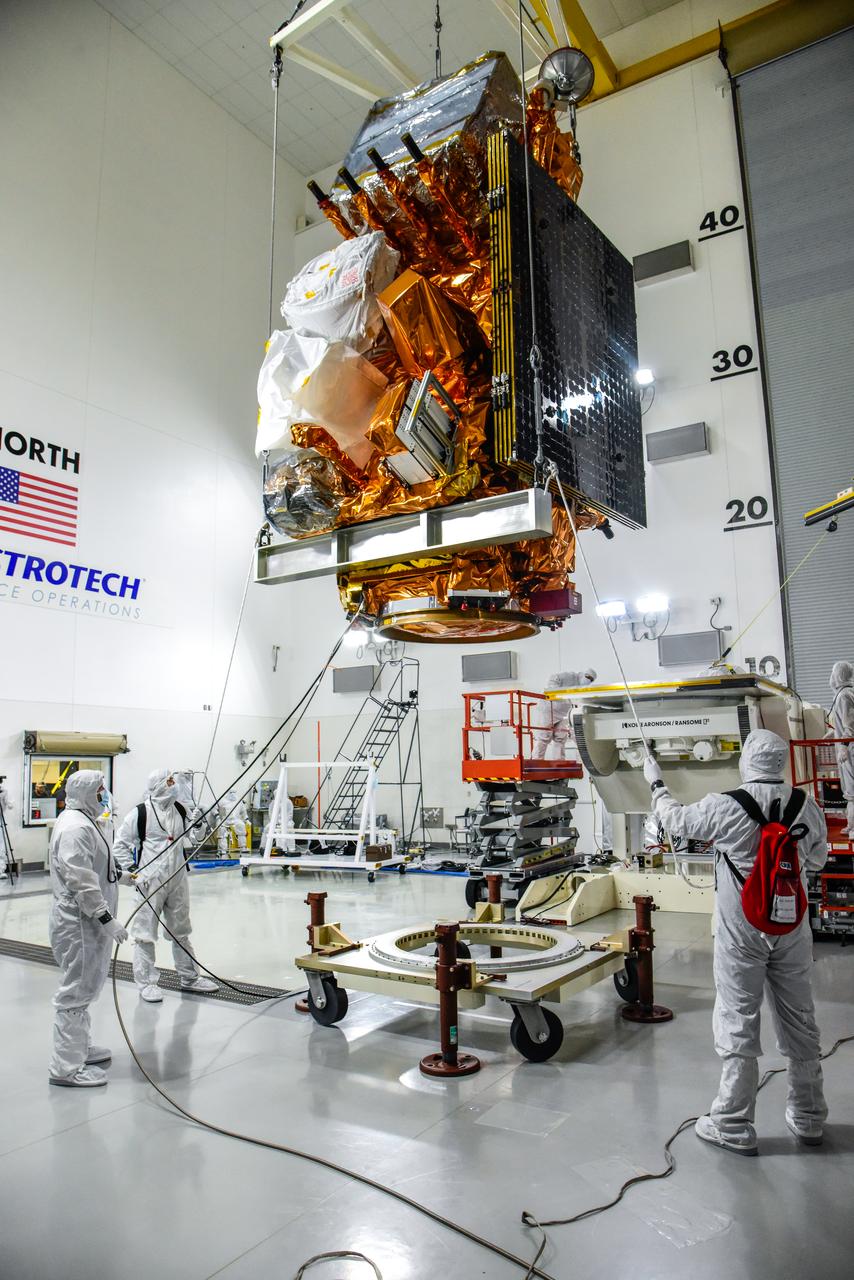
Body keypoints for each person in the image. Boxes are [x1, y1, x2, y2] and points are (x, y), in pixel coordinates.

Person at [644, 729, 828, 1154]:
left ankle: (732, 1122)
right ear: (780, 761)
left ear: (747, 761)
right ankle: (809, 1117)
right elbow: (817, 858)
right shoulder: (806, 805)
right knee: (800, 1017)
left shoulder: (725, 805)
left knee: (738, 1016)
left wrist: (655, 780)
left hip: (740, 930)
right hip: (792, 927)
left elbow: (674, 821)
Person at [48, 770, 134, 1087]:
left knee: (85, 987)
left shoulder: (87, 822)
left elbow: (99, 868)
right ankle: (66, 1068)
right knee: (75, 991)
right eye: (100, 790)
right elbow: (80, 881)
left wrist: (126, 877)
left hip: (87, 923)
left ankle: (78, 1048)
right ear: (85, 793)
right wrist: (106, 918)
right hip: (79, 923)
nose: (105, 795)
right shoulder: (74, 828)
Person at [113, 768, 218, 1003]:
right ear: (159, 785)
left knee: (181, 930)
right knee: (144, 933)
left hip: (178, 877)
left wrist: (200, 824)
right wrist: (133, 872)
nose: (173, 784)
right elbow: (119, 845)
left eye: (173, 780)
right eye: (169, 781)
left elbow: (195, 838)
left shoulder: (180, 809)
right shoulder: (140, 813)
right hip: (150, 881)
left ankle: (189, 978)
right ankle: (147, 983)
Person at [531, 669, 596, 760]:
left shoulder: (581, 688)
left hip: (564, 713)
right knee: (544, 736)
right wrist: (555, 692)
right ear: (583, 674)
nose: (588, 680)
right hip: (548, 708)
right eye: (588, 677)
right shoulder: (570, 676)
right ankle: (536, 761)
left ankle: (559, 761)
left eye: (591, 680)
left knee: (561, 737)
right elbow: (553, 678)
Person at [828, 661, 854, 836]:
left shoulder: (844, 695)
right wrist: (831, 734)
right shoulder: (844, 694)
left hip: (849, 751)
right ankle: (851, 825)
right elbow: (841, 723)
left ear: (838, 675)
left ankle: (853, 827)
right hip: (846, 748)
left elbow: (850, 724)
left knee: (852, 791)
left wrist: (843, 747)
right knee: (850, 790)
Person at [217, 788, 249, 856]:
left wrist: (246, 819)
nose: (232, 794)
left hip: (235, 819)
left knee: (241, 825)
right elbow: (215, 809)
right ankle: (223, 849)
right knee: (221, 829)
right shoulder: (222, 801)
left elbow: (243, 811)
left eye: (234, 792)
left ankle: (243, 847)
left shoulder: (239, 801)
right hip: (225, 820)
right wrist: (217, 816)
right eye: (231, 792)